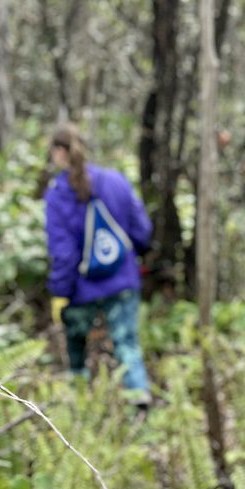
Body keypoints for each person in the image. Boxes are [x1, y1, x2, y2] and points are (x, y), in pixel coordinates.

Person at [44, 122, 154, 407]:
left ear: (59, 152)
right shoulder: (116, 180)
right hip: (123, 278)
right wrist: (133, 259)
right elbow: (141, 229)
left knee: (77, 346)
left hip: (82, 289)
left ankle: (79, 408)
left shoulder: (57, 194)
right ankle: (139, 404)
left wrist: (61, 293)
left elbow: (64, 254)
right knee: (127, 345)